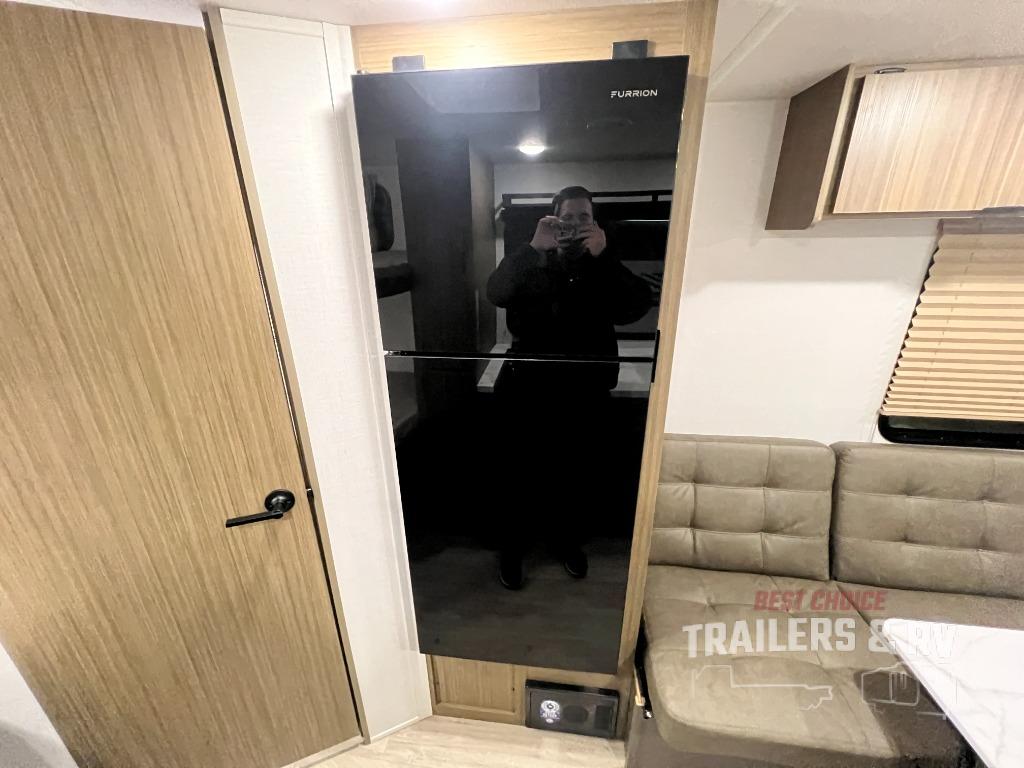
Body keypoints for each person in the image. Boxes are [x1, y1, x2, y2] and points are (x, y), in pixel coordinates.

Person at [486, 186, 652, 590]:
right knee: (517, 474)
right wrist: (532, 248)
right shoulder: (532, 258)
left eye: (584, 217)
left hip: (583, 391)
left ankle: (566, 542)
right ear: (553, 219)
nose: (575, 224)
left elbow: (635, 307)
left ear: (594, 222)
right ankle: (512, 549)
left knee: (575, 475)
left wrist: (604, 257)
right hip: (527, 388)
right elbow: (497, 292)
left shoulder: (602, 264)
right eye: (567, 217)